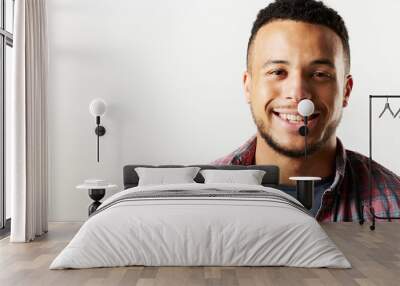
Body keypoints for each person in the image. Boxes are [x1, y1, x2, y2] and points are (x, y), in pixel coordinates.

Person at [213, 0, 400, 222]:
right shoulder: (199, 200)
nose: (298, 93)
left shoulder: (393, 205)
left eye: (320, 74)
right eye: (278, 71)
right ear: (248, 86)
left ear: (346, 91)